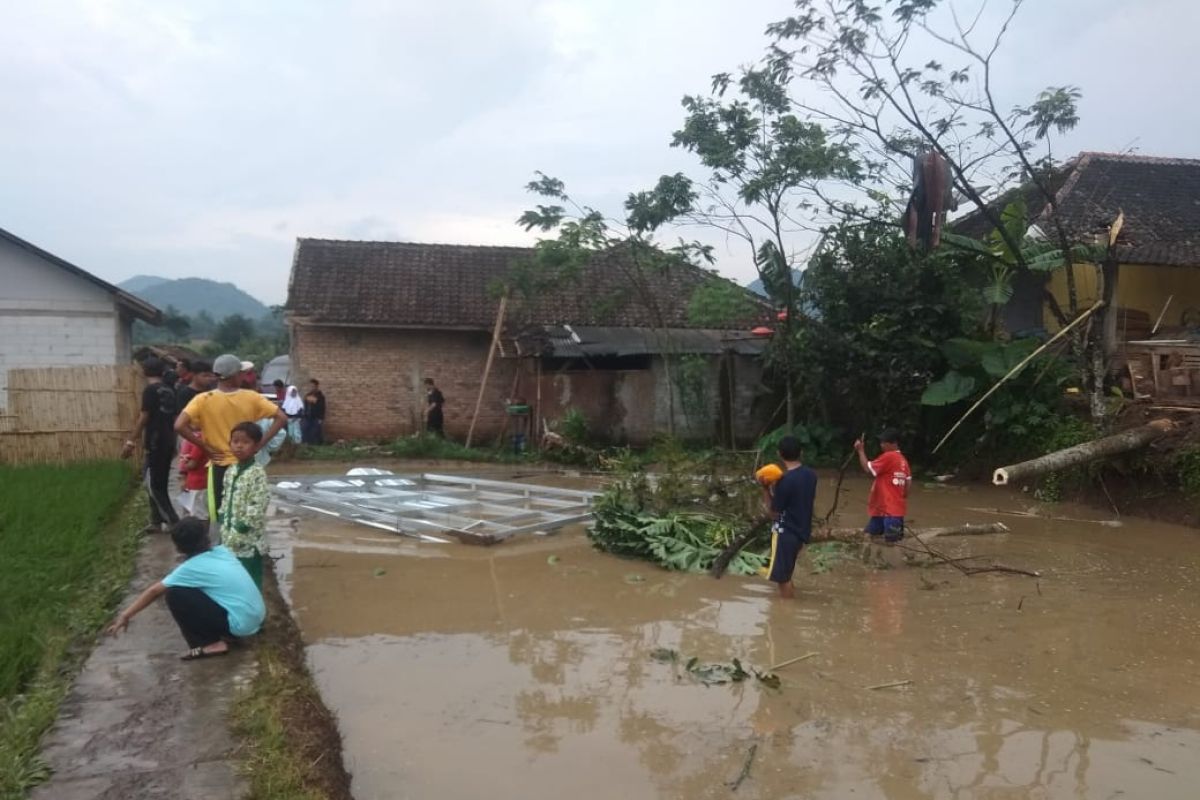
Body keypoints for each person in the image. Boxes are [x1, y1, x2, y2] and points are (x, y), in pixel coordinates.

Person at [105, 518, 265, 660]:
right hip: (257, 617)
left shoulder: (189, 568)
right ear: (206, 537)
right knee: (201, 590)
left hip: (242, 625)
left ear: (178, 547)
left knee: (175, 594)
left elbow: (154, 591)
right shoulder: (223, 551)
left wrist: (125, 615)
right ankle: (227, 632)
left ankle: (210, 644)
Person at [175, 354, 285, 521]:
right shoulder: (252, 397)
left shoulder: (202, 399)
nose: (243, 376)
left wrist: (205, 447)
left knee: (221, 515)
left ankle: (223, 544)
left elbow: (179, 425)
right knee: (246, 514)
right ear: (235, 375)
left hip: (218, 465)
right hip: (246, 465)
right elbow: (282, 418)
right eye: (241, 373)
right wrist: (259, 444)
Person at [121, 357, 180, 533]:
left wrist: (131, 441)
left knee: (154, 485)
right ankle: (155, 521)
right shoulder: (169, 390)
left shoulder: (150, 390)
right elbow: (175, 419)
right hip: (167, 441)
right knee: (153, 482)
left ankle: (173, 522)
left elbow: (144, 417)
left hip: (155, 442)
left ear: (144, 372)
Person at [761, 436, 818, 599]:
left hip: (785, 532)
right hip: (802, 530)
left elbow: (773, 512)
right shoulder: (811, 475)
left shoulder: (784, 481)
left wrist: (766, 489)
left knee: (782, 579)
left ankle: (786, 615)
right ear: (801, 452)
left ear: (779, 454)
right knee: (787, 572)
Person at [219, 422, 272, 588]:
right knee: (233, 574)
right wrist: (222, 515)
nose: (239, 446)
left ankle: (254, 609)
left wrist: (244, 525)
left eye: (245, 442)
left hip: (248, 538)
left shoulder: (257, 473)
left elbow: (259, 503)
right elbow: (225, 495)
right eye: (235, 441)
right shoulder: (231, 470)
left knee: (250, 576)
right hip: (229, 534)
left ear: (256, 447)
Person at [854, 428, 913, 543]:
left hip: (888, 511)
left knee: (885, 542)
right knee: (872, 537)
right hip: (890, 510)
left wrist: (860, 451)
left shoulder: (889, 456)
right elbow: (908, 485)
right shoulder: (903, 461)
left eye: (884, 442)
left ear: (893, 443)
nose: (881, 445)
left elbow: (867, 468)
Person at [178, 432, 209, 519]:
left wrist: (185, 463)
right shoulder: (206, 437)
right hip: (202, 481)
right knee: (200, 512)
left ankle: (199, 531)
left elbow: (192, 464)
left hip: (197, 483)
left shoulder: (199, 440)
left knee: (199, 514)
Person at [302, 379, 326, 445]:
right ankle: (306, 444)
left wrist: (321, 418)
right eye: (310, 386)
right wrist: (305, 414)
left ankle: (316, 445)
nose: (311, 388)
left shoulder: (321, 396)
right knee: (306, 430)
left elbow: (322, 408)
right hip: (308, 416)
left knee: (315, 431)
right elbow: (305, 405)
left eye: (313, 386)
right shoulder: (307, 395)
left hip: (316, 417)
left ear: (316, 386)